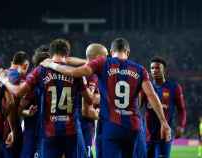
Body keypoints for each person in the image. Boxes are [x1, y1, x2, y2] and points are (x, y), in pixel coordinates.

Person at [40, 37, 171, 158]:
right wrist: (164, 123)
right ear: (128, 52)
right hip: (133, 127)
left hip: (111, 126)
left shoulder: (103, 63)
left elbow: (75, 72)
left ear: (111, 51)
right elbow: (152, 95)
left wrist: (52, 65)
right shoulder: (140, 69)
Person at [0, 39, 95, 158]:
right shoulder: (76, 74)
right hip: (72, 130)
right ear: (68, 54)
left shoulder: (40, 71)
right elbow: (90, 100)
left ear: (51, 53)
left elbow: (18, 93)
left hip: (49, 131)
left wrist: (4, 80)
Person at [143, 56, 187, 158]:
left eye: (158, 68)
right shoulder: (146, 87)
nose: (154, 70)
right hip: (147, 136)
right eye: (152, 68)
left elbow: (181, 109)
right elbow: (137, 105)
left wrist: (181, 125)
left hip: (164, 135)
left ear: (164, 70)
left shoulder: (174, 87)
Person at [19, 45, 50, 158]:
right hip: (39, 130)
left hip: (37, 130)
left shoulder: (30, 80)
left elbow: (18, 107)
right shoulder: (33, 82)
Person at [1, 51, 30, 158]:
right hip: (10, 130)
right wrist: (13, 131)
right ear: (25, 64)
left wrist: (24, 112)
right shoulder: (17, 77)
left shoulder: (2, 74)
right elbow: (11, 105)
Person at [81, 43, 108, 158]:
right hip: (84, 125)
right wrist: (102, 115)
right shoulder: (90, 75)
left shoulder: (83, 70)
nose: (107, 60)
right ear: (98, 57)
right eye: (106, 56)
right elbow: (86, 109)